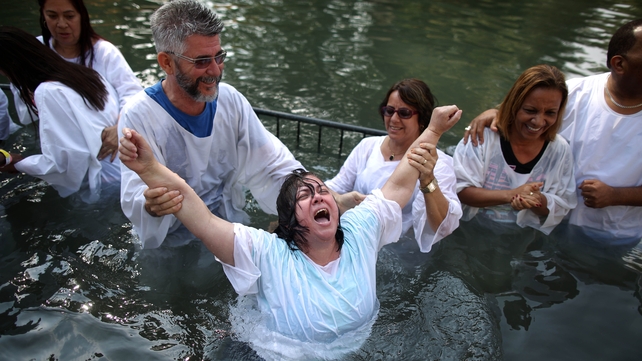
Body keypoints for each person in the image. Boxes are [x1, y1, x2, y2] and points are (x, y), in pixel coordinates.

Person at [118, 104, 462, 355]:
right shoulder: (267, 252)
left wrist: (433, 130)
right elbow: (203, 219)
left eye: (322, 190)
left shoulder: (360, 231)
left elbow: (399, 186)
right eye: (305, 195)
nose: (319, 197)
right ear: (288, 223)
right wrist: (149, 168)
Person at [118, 0, 304, 249]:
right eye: (202, 61)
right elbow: (134, 195)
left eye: (219, 56)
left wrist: (310, 196)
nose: (215, 71)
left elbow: (272, 164)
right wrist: (150, 206)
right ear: (166, 63)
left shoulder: (230, 100)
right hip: (172, 243)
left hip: (228, 225)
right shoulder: (140, 115)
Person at [464, 19, 642, 243]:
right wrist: (494, 113)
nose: (541, 120)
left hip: (610, 234)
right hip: (542, 223)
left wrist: (616, 195)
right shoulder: (576, 92)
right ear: (619, 63)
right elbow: (525, 114)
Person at [326, 79, 462, 252]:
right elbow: (333, 187)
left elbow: (443, 227)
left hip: (403, 256)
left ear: (422, 119)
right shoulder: (367, 147)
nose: (394, 119)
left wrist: (428, 180)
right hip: (358, 241)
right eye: (389, 111)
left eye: (404, 113)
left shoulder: (438, 163)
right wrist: (339, 200)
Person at [11, 0, 143, 161]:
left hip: (105, 141)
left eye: (69, 16)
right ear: (43, 17)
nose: (61, 24)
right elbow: (25, 115)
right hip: (58, 139)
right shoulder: (34, 51)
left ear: (82, 17)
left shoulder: (104, 52)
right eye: (52, 16)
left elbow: (133, 95)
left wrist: (119, 128)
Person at [0, 26, 120, 203]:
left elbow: (65, 163)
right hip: (125, 166)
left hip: (106, 181)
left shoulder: (48, 92)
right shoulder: (81, 73)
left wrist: (19, 163)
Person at [453, 65, 576, 234]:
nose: (539, 122)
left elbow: (563, 205)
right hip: (470, 231)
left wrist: (536, 200)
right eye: (530, 110)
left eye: (550, 113)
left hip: (521, 237)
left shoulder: (560, 150)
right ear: (514, 104)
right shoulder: (483, 137)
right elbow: (460, 189)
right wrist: (511, 195)